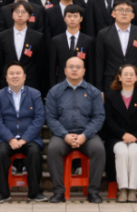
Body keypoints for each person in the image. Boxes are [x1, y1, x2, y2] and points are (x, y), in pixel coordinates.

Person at [45, 56, 105, 203]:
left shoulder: (94, 92)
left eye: (78, 67)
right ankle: (59, 191)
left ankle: (93, 191)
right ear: (65, 70)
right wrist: (65, 135)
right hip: (62, 135)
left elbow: (98, 117)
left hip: (87, 136)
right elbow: (51, 118)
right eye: (71, 67)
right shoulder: (54, 91)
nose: (74, 70)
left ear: (84, 71)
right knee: (53, 149)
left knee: (99, 149)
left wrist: (84, 135)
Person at [0, 62, 48, 203]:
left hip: (29, 138)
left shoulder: (35, 94)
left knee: (34, 153)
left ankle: (35, 193)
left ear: (24, 76)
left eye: (18, 73)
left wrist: (24, 139)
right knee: (0, 154)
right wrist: (10, 139)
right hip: (7, 139)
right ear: (6, 77)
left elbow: (39, 118)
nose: (14, 76)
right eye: (11, 73)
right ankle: (3, 193)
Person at [103, 64, 137, 203]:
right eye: (125, 74)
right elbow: (108, 119)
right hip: (117, 137)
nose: (129, 77)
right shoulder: (111, 96)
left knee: (134, 152)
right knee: (122, 152)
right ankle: (123, 188)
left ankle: (132, 189)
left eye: (132, 74)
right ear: (119, 77)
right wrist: (123, 134)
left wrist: (135, 136)